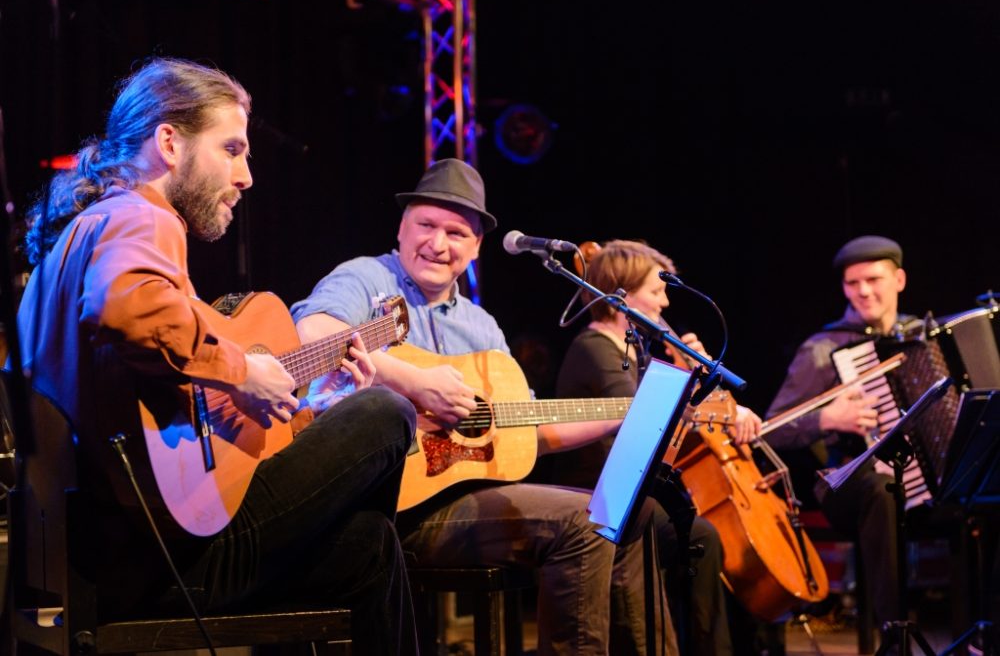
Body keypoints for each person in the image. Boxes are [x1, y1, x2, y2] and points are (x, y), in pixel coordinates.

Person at [16, 58, 419, 654]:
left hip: (95, 558)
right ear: (170, 143)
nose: (246, 175)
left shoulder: (83, 229)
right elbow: (125, 310)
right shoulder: (142, 216)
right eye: (231, 149)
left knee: (369, 547)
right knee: (387, 413)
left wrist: (305, 399)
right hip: (160, 556)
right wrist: (239, 372)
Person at [292, 159, 673, 656]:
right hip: (379, 510)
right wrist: (419, 383)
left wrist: (631, 414)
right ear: (402, 227)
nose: (438, 243)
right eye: (426, 225)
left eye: (456, 232)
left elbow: (527, 426)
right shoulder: (365, 279)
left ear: (475, 247)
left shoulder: (480, 327)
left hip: (455, 502)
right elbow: (312, 335)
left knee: (619, 511)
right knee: (583, 522)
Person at [544, 239, 761, 656]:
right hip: (599, 498)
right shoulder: (595, 347)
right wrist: (712, 403)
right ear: (622, 295)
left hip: (632, 493)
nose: (664, 303)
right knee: (700, 535)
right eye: (656, 290)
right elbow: (643, 425)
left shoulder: (631, 348)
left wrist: (692, 381)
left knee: (698, 533)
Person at [765, 235, 916, 632]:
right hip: (846, 482)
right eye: (852, 283)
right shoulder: (823, 346)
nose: (863, 291)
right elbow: (771, 430)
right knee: (882, 491)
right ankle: (895, 633)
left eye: (873, 279)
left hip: (922, 481)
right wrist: (827, 420)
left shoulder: (919, 337)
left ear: (898, 280)